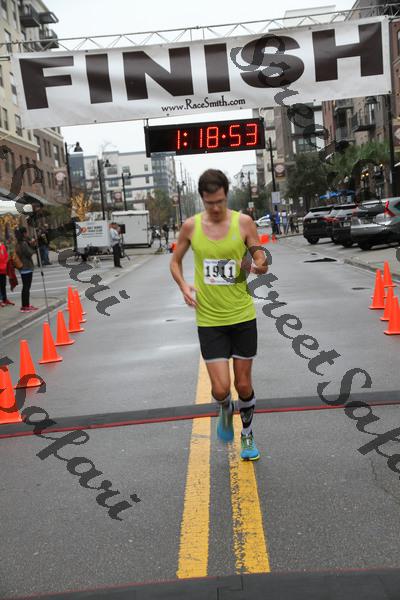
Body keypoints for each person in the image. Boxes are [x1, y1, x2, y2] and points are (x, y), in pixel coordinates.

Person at [170, 169, 268, 461]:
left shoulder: (244, 222)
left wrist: (258, 265)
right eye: (210, 202)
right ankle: (225, 408)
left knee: (243, 384)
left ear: (227, 195)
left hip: (242, 315)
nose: (215, 208)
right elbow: (175, 261)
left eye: (221, 201)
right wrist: (183, 285)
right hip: (210, 320)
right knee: (221, 388)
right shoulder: (191, 227)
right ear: (202, 198)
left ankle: (247, 434)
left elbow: (260, 256)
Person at [14, 227, 38, 312]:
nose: (27, 234)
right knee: (26, 287)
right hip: (26, 266)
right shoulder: (23, 243)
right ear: (24, 233)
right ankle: (25, 306)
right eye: (26, 232)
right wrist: (33, 247)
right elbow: (29, 253)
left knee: (25, 287)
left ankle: (25, 305)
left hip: (22, 267)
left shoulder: (18, 243)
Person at [0, 238, 15, 307]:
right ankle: (1, 300)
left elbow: (6, 256)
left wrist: (5, 264)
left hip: (3, 269)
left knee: (3, 285)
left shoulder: (2, 246)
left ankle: (4, 299)